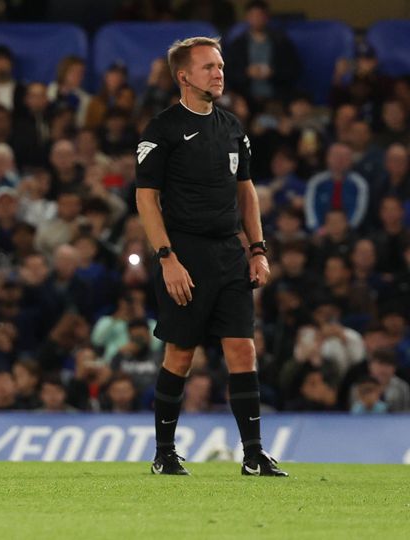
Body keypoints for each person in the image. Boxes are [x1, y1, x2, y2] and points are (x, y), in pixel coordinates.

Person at [135, 36, 287, 476]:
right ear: (184, 76)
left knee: (243, 350)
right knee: (180, 354)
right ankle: (164, 453)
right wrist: (167, 257)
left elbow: (247, 193)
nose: (219, 73)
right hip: (185, 253)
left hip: (229, 253)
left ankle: (254, 454)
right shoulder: (162, 130)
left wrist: (257, 249)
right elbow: (147, 200)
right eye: (209, 67)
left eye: (220, 65)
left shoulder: (233, 127)